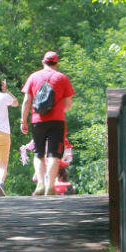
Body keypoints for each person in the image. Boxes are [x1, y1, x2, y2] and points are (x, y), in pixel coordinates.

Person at [19, 51, 75, 196]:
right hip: (57, 121)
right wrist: (57, 111)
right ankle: (50, 186)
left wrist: (23, 120)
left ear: (43, 62)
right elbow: (68, 104)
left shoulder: (33, 77)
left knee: (38, 153)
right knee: (54, 155)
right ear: (56, 63)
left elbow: (26, 101)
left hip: (38, 120)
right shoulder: (62, 78)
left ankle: (40, 184)